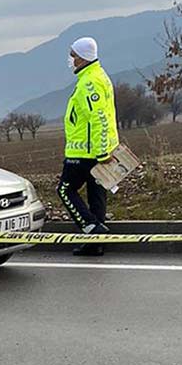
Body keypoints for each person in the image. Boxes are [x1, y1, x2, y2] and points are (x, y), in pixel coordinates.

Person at [58, 36, 119, 257]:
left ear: (82, 58)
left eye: (73, 55)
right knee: (97, 195)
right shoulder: (99, 75)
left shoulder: (88, 83)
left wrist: (101, 152)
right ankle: (95, 244)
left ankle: (91, 227)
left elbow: (99, 118)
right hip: (100, 151)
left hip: (84, 152)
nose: (70, 59)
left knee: (65, 190)